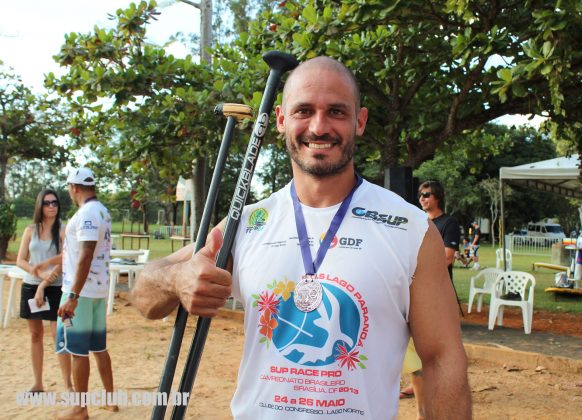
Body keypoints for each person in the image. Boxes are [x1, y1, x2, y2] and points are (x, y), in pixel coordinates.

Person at [132, 56, 471, 419]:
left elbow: (441, 360)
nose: (319, 126)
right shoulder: (246, 224)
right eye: (304, 110)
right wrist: (176, 279)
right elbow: (144, 296)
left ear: (360, 121)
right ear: (280, 119)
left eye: (337, 112)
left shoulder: (409, 228)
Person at [56, 168, 117, 419]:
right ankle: (111, 399)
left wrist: (72, 296)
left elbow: (86, 255)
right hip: (97, 290)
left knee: (77, 351)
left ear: (74, 187)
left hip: (81, 291)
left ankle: (80, 409)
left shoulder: (88, 213)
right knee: (98, 347)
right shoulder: (101, 210)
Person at [399, 180, 462, 417]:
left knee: (435, 351)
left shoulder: (448, 223)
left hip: (435, 296)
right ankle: (421, 402)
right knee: (413, 352)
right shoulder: (417, 223)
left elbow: (447, 257)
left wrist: (413, 264)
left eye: (427, 194)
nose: (422, 198)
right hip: (410, 294)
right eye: (420, 195)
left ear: (438, 197)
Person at [16, 189, 73, 393]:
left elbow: (65, 260)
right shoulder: (30, 230)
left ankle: (68, 385)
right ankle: (38, 383)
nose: (51, 206)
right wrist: (38, 276)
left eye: (55, 203)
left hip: (56, 287)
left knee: (59, 335)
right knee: (34, 335)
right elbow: (20, 260)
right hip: (31, 285)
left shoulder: (62, 230)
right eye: (47, 203)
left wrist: (45, 283)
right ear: (40, 205)